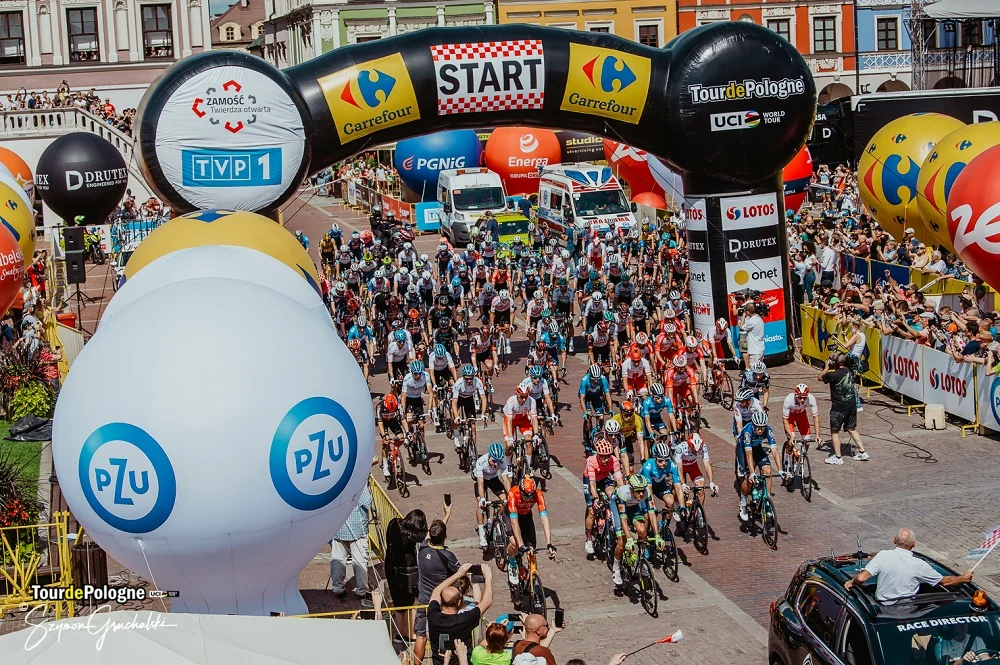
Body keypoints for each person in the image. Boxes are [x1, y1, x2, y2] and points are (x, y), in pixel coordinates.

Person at [845, 528, 972, 604]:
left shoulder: (883, 555)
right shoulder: (920, 565)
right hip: (908, 610)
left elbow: (861, 578)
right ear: (914, 544)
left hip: (883, 608)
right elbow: (945, 581)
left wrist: (852, 582)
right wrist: (963, 578)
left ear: (894, 540)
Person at [427, 562, 494, 665]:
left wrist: (458, 574)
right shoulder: (464, 619)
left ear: (441, 602)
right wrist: (488, 579)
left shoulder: (433, 616)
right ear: (459, 602)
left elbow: (436, 592)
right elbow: (487, 601)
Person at [415, 505, 457, 664]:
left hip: (423, 601)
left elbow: (432, 534)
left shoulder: (423, 547)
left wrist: (446, 516)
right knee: (441, 635)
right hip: (440, 603)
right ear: (446, 536)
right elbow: (459, 572)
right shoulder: (448, 556)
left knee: (420, 636)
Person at [383, 509, 428, 638]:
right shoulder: (414, 536)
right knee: (412, 602)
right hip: (408, 570)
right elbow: (426, 538)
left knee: (398, 602)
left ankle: (400, 634)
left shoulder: (393, 524)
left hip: (391, 567)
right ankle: (411, 633)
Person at [820, 354, 869, 465]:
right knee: (851, 428)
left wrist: (826, 368)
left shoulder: (832, 375)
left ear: (835, 363)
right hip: (851, 404)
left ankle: (838, 457)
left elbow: (820, 377)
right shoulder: (848, 370)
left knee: (835, 430)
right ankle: (862, 451)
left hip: (839, 407)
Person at [329, 484, 373, 607]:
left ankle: (338, 588)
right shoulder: (359, 482)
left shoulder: (337, 482)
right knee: (359, 561)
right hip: (357, 529)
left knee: (338, 559)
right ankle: (361, 591)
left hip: (338, 527)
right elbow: (367, 502)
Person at [739, 303, 765, 368]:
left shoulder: (752, 321)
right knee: (759, 369)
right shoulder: (759, 318)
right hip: (760, 348)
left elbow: (741, 327)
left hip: (754, 351)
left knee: (754, 370)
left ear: (747, 312)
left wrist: (743, 316)